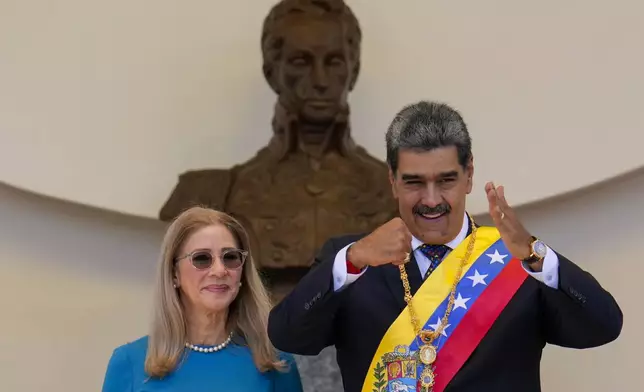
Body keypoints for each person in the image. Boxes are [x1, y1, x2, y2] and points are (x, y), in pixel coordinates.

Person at [267, 101, 623, 392]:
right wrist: (354, 259)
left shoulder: (518, 259)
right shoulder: (354, 262)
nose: (431, 200)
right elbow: (287, 334)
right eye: (414, 182)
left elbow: (603, 326)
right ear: (392, 180)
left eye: (446, 180)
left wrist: (536, 256)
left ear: (469, 175)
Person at [102, 207, 303, 391]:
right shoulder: (129, 362)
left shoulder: (276, 364)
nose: (219, 270)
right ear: (174, 274)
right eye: (201, 258)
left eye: (230, 257)